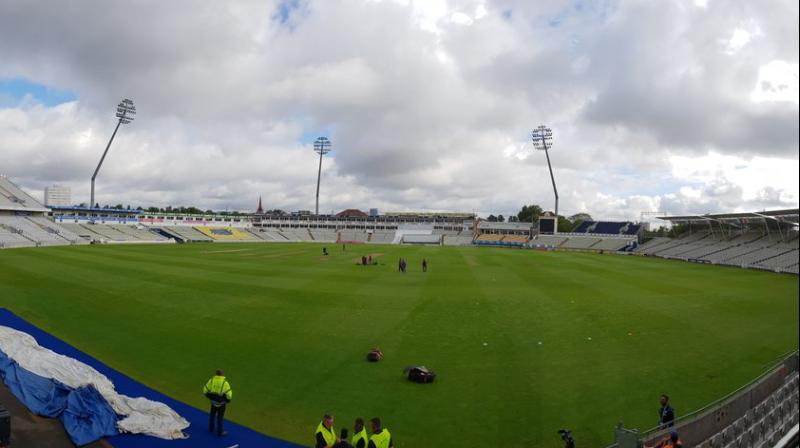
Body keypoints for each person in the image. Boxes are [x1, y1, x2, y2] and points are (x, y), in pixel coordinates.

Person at [202, 369, 233, 436]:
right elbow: (229, 395)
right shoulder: (225, 383)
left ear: (216, 374)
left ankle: (211, 428)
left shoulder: (212, 380)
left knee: (212, 415)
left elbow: (205, 390)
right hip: (221, 404)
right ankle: (220, 432)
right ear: (222, 374)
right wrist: (226, 400)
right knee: (220, 418)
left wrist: (210, 396)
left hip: (213, 403)